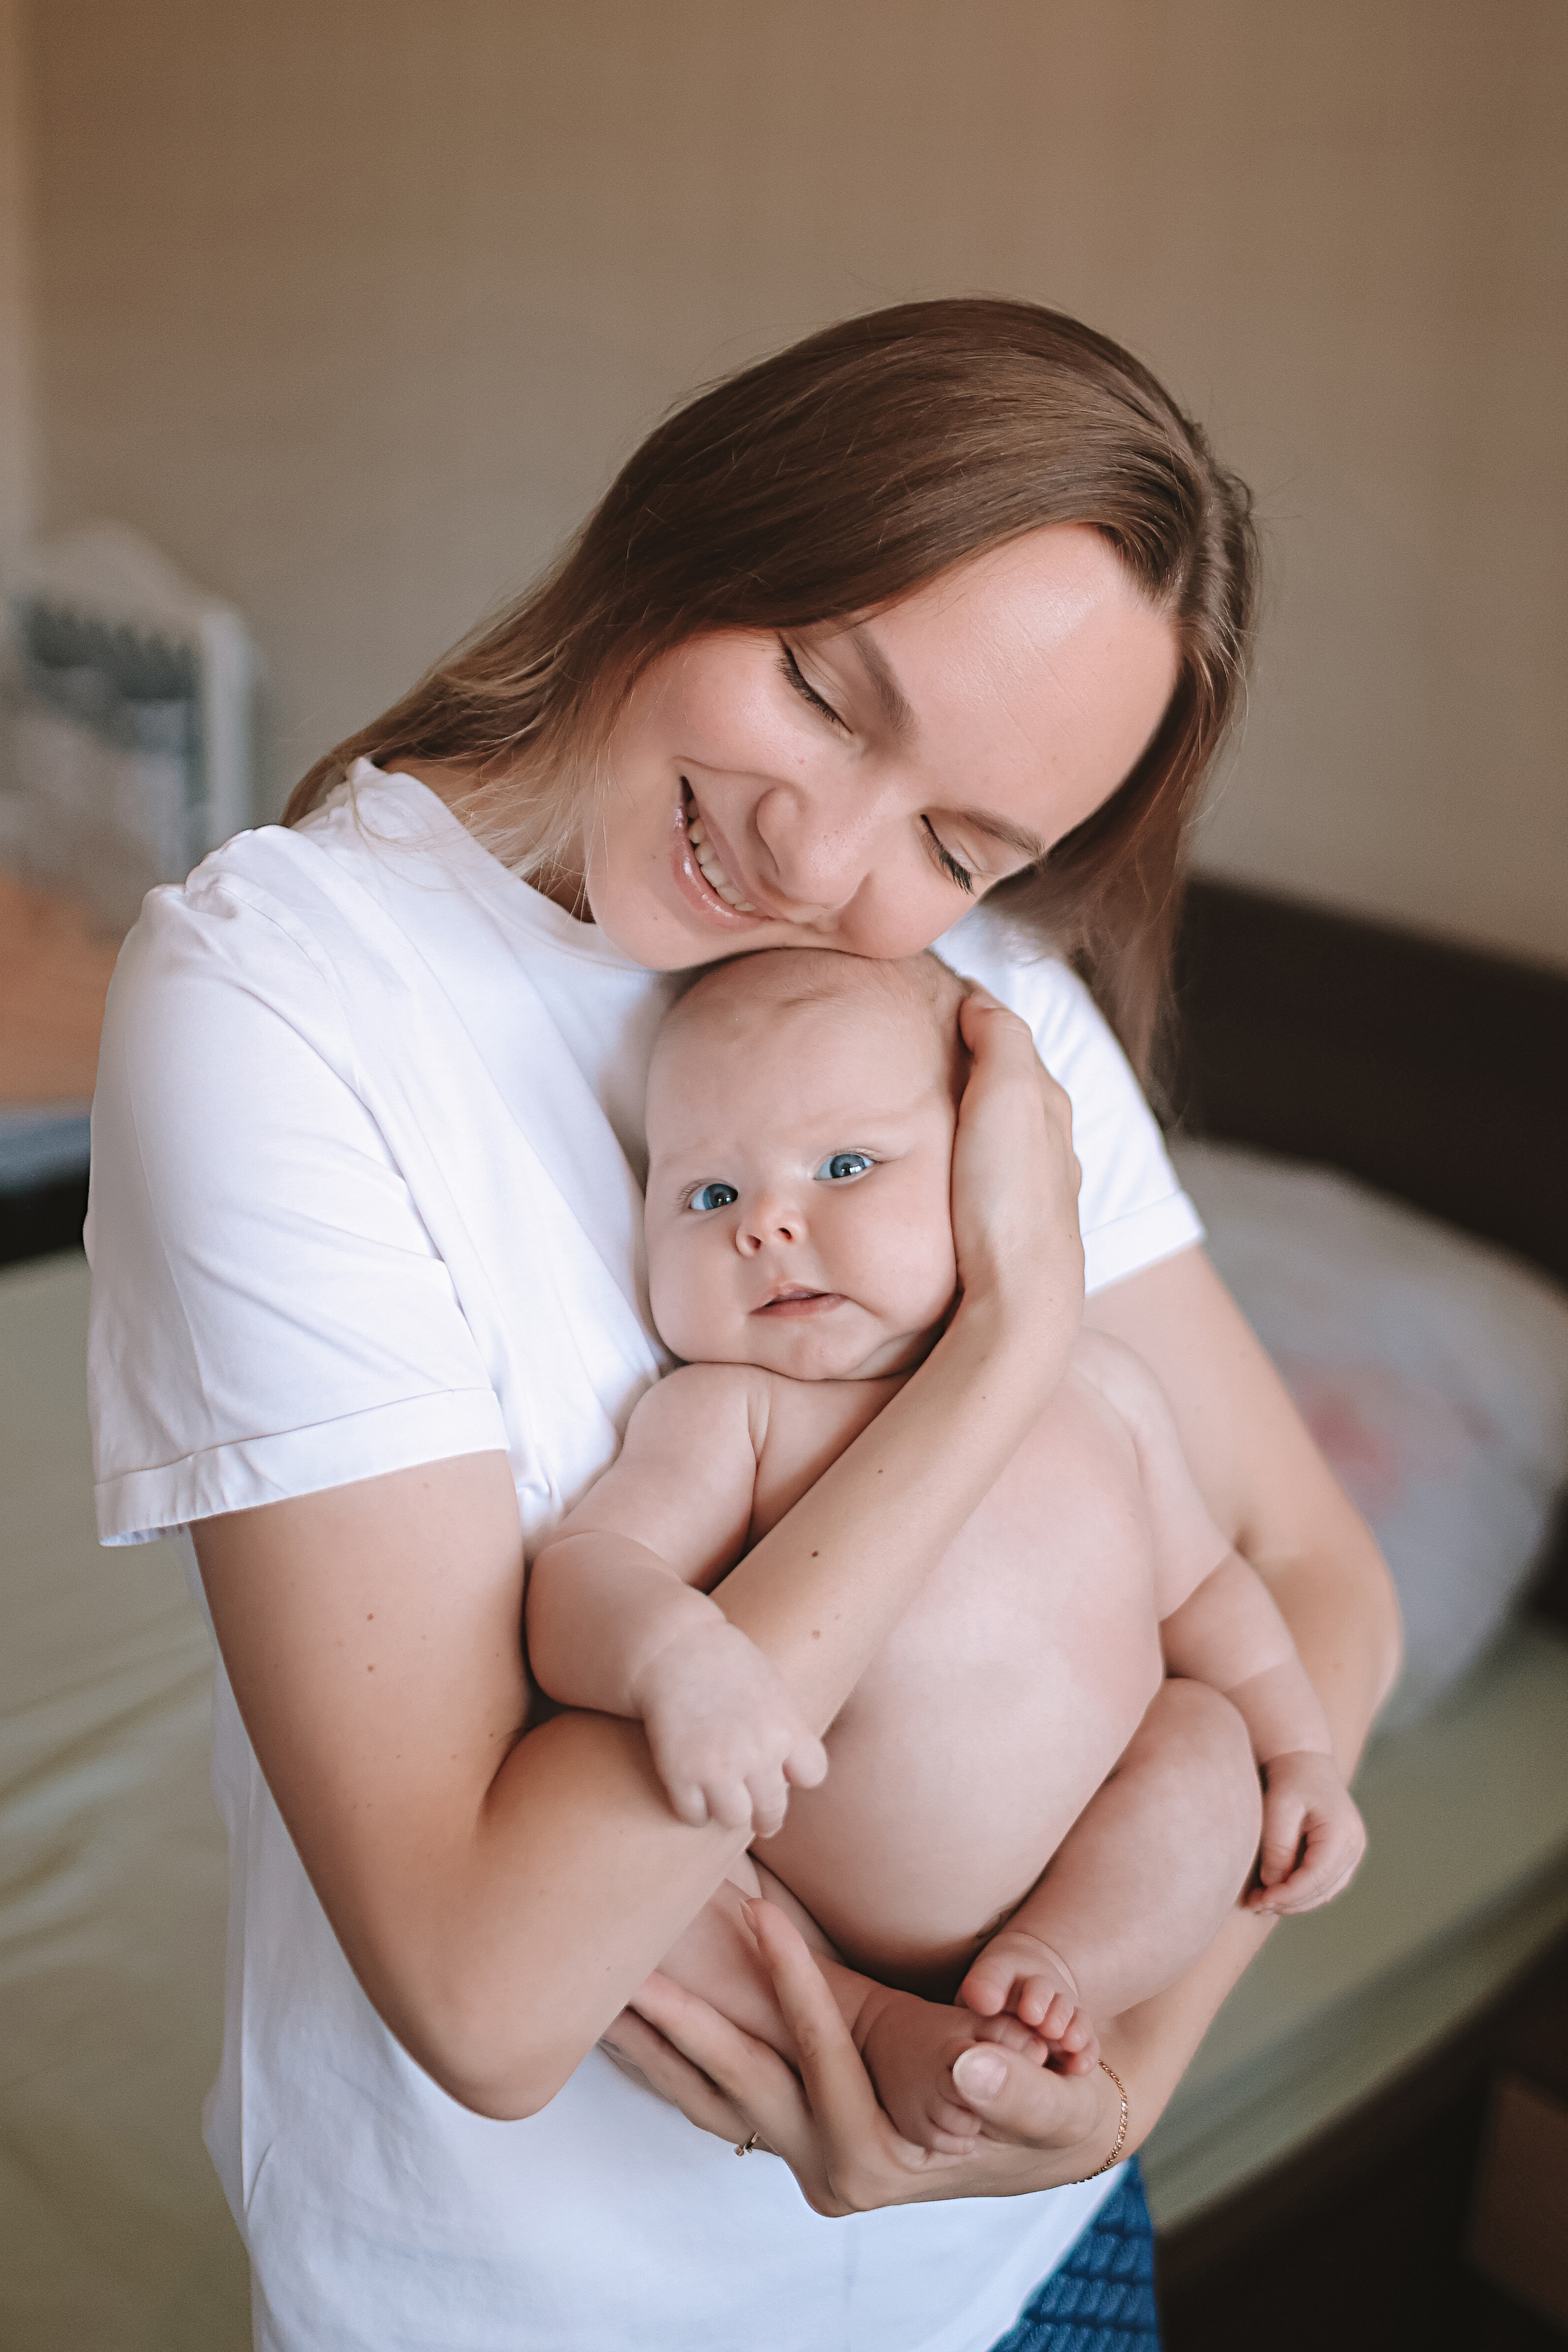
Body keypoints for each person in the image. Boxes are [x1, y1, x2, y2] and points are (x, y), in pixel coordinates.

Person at [86, 299, 1400, 2352]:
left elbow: (1317, 1580)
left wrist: (1113, 2080)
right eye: (819, 688)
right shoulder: (280, 1003)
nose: (824, 855)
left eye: (964, 843)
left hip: (1022, 2267)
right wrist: (997, 1354)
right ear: (699, 524)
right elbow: (494, 1995)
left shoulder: (987, 1008)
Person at [526, 946, 1368, 2154]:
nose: (766, 1222)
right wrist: (674, 1661)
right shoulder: (733, 1415)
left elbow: (1206, 1588)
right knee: (636, 1884)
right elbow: (585, 1579)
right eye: (704, 1195)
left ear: (994, 1183)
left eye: (845, 1166)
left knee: (1205, 1748)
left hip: (1091, 1858)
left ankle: (1056, 1979)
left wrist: (1296, 1755)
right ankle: (860, 2019)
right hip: (803, 1905)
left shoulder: (1098, 1389)